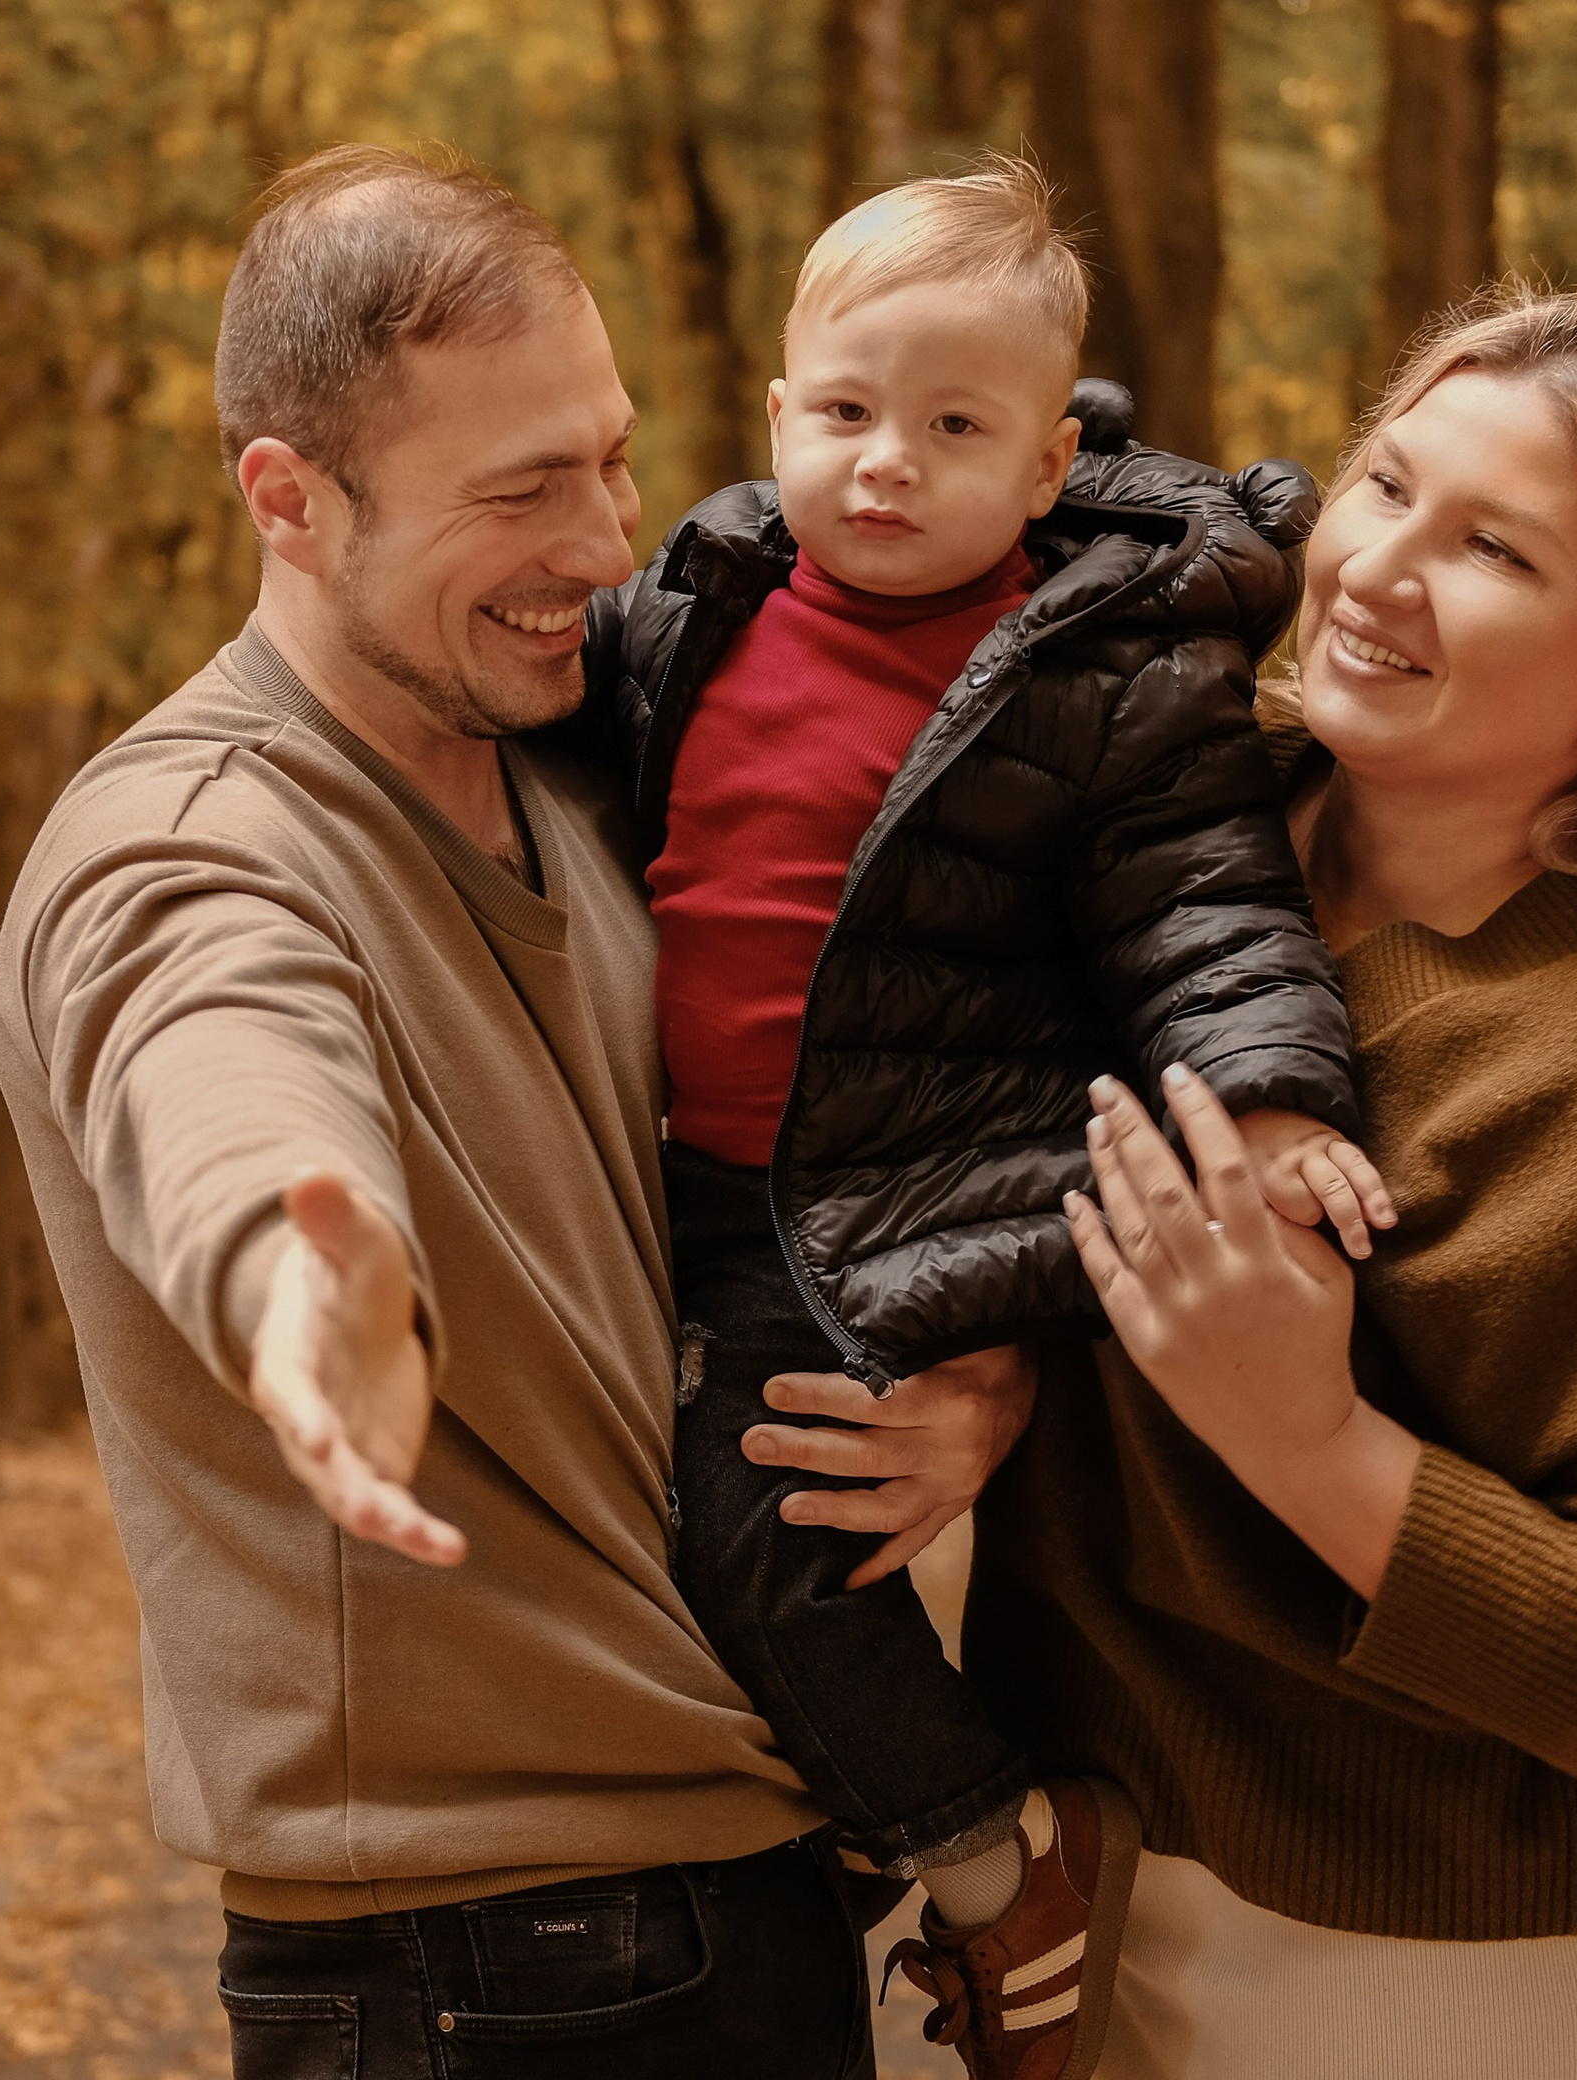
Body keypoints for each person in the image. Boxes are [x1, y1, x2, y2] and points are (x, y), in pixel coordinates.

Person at [0, 145, 1032, 2080]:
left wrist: (978, 1378)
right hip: (480, 1971)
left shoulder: (587, 777)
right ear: (288, 502)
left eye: (613, 458)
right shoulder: (191, 844)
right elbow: (221, 1068)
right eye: (520, 492)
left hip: (741, 1890)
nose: (605, 540)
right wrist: (308, 1297)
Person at [954, 286, 1577, 2079]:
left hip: (1452, 1968)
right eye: (1385, 485)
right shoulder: (1155, 835)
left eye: (1493, 549)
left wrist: (1313, 1445)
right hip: (1099, 1886)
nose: (1379, 569)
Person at [582, 160, 1389, 2079]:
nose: (886, 463)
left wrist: (1272, 1104)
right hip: (672, 1184)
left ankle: (995, 1858)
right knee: (622, 1528)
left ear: (1042, 468)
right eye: (848, 412)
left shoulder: (1104, 674)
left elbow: (1208, 910)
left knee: (760, 1532)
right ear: (777, 415)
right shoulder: (694, 603)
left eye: (954, 429)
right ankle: (836, 1863)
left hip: (900, 1194)